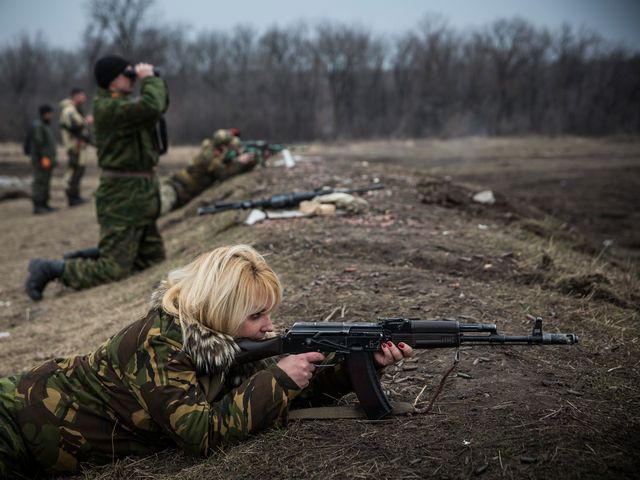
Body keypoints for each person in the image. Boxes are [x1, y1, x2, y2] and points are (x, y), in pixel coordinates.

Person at [2, 245, 413, 475]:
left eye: (267, 312)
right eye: (256, 316)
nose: (268, 325)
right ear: (220, 309)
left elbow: (277, 397)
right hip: (14, 422)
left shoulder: (224, 337)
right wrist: (280, 380)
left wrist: (359, 367)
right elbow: (200, 434)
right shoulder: (160, 343)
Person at [24, 55, 170, 301]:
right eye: (128, 75)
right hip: (122, 196)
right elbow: (151, 106)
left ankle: (87, 256)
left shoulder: (123, 104)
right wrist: (148, 80)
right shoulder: (108, 108)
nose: (132, 79)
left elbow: (158, 105)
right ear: (113, 81)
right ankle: (52, 269)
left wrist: (152, 80)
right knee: (113, 269)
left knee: (152, 260)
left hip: (140, 193)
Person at [160, 128, 270, 215]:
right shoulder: (210, 157)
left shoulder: (216, 153)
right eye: (228, 146)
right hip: (175, 189)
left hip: (184, 193)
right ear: (223, 146)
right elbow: (223, 174)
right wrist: (240, 162)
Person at [59, 87, 93, 206]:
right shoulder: (69, 110)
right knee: (74, 171)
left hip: (80, 146)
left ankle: (76, 196)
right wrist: (86, 122)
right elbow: (73, 126)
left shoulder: (76, 109)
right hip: (74, 146)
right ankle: (72, 196)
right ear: (75, 96)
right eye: (82, 95)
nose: (84, 98)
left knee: (79, 170)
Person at [29, 104, 57, 214]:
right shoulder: (38, 125)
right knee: (39, 181)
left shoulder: (46, 125)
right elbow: (39, 143)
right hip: (40, 159)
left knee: (46, 181)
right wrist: (44, 157)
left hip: (48, 159)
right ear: (45, 114)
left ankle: (45, 204)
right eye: (50, 113)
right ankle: (38, 205)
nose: (52, 115)